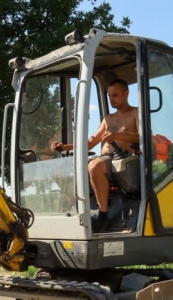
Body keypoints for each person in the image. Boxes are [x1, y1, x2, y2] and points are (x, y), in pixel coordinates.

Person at [50, 79, 139, 232]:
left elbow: (144, 137)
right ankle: (82, 210)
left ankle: (103, 215)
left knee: (95, 165)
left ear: (126, 93)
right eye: (109, 96)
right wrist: (65, 147)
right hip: (104, 159)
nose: (112, 99)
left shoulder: (135, 113)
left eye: (115, 95)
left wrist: (120, 135)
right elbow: (90, 143)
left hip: (124, 160)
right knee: (61, 172)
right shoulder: (108, 119)